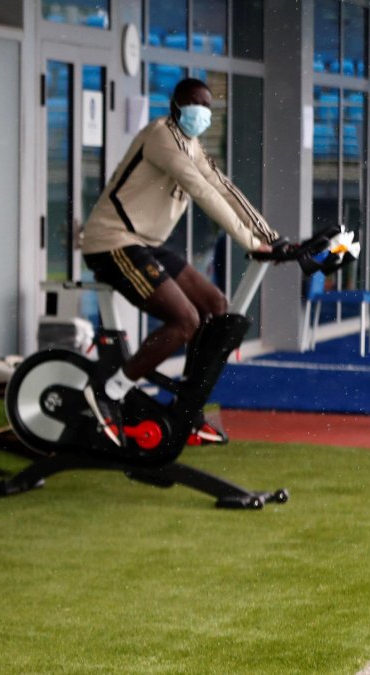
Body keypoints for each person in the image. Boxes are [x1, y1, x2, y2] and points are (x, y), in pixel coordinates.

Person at [79, 78, 281, 447]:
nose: (201, 112)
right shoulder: (161, 137)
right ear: (176, 104)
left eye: (206, 105)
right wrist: (248, 241)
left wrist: (270, 237)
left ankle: (187, 409)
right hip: (112, 242)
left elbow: (221, 186)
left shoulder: (193, 145)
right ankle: (109, 391)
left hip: (147, 244)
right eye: (194, 103)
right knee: (185, 318)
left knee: (216, 306)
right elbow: (201, 190)